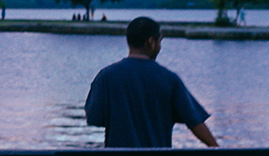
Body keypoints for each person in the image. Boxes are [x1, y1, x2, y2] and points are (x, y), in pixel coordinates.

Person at [85, 16, 218, 148]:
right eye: (159, 41)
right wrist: (217, 149)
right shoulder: (169, 78)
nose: (159, 47)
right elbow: (195, 121)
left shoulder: (106, 76)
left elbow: (94, 118)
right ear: (150, 42)